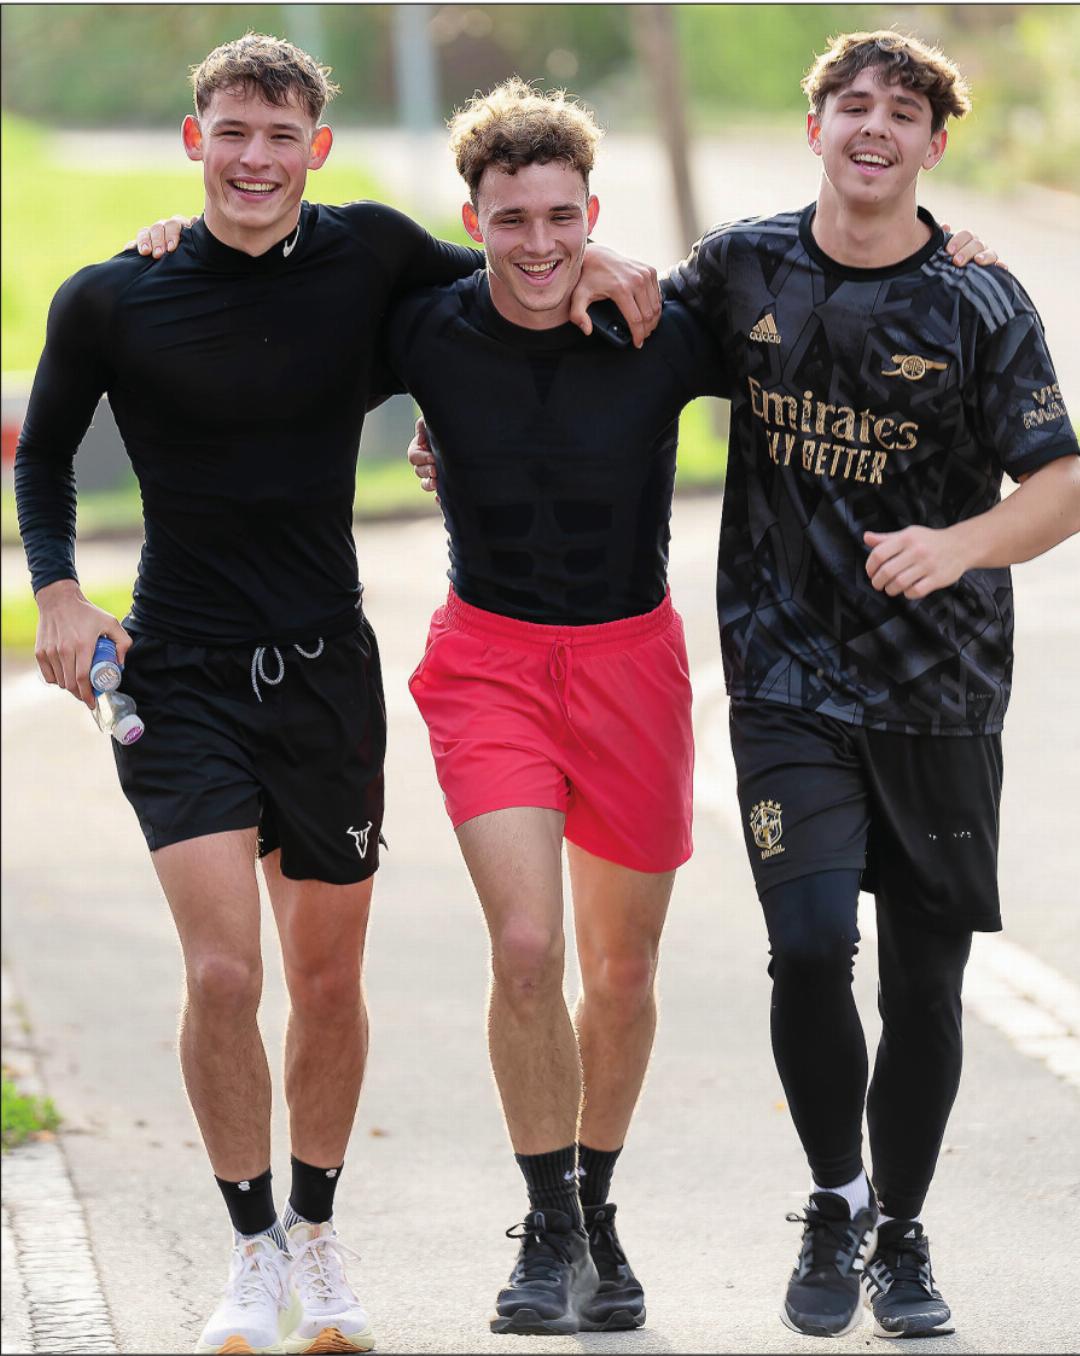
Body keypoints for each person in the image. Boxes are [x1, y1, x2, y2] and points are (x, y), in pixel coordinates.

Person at [14, 34, 660, 1356]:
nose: (256, 159)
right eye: (232, 133)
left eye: (281, 136)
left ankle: (316, 1230)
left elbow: (507, 285)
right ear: (195, 140)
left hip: (323, 673)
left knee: (324, 979)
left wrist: (600, 262)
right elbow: (45, 457)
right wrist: (61, 593)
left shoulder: (371, 251)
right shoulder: (114, 297)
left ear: (316, 145)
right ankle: (251, 1250)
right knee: (221, 970)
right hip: (180, 671)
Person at [660, 28, 1080, 1341]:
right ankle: (835, 1198)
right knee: (806, 947)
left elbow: (1062, 481)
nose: (875, 127)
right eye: (853, 104)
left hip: (939, 690)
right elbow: (610, 339)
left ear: (934, 146)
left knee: (923, 989)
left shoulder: (980, 303)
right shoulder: (742, 268)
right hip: (783, 676)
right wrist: (457, 432)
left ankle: (901, 1234)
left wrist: (957, 546)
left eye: (904, 111)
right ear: (817, 128)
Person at [374, 78, 729, 1337]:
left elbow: (823, 317)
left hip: (633, 664)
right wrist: (160, 241)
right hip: (490, 662)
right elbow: (274, 296)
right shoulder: (424, 327)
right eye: (511, 218)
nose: (538, 244)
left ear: (595, 213)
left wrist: (957, 248)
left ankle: (597, 1205)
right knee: (528, 949)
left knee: (621, 973)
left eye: (562, 217)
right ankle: (547, 1226)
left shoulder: (660, 327)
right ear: (471, 217)